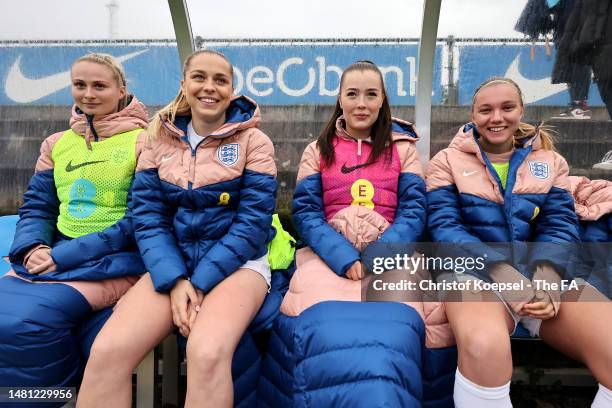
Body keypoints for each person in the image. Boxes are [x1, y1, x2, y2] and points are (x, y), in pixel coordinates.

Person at [77, 50, 277, 408]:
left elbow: (252, 225)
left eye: (220, 80)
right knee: (107, 351)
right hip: (172, 266)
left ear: (232, 90)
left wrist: (198, 282)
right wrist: (175, 279)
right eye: (199, 77)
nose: (209, 87)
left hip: (239, 267)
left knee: (207, 351)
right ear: (183, 84)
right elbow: (148, 218)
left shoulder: (254, 142)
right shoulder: (157, 137)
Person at [259, 61, 455, 407]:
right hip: (328, 257)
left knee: (397, 335)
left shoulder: (404, 149)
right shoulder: (318, 150)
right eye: (352, 94)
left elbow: (415, 210)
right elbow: (306, 213)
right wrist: (343, 256)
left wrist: (381, 255)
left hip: (392, 259)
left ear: (383, 101)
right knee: (313, 325)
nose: (361, 103)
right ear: (340, 99)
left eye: (370, 94)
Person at [426, 77, 612, 407]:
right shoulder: (445, 162)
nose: (496, 117)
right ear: (473, 115)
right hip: (470, 274)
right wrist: (504, 275)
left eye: (507, 107)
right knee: (484, 347)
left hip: (541, 277)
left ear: (521, 110)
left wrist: (548, 276)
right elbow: (446, 233)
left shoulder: (550, 162)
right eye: (486, 110)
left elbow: (559, 227)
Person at [0, 53, 147, 391]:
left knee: (31, 320)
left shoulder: (145, 142)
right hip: (55, 257)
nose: (89, 94)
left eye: (100, 86)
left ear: (121, 89)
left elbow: (140, 220)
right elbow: (37, 207)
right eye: (80, 85)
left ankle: (53, 395)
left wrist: (61, 256)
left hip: (117, 262)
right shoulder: (56, 144)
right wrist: (34, 246)